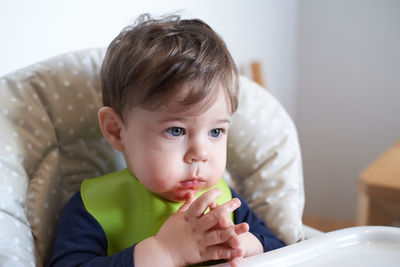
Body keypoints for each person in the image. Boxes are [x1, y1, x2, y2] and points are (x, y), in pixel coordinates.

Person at [49, 14, 285, 267]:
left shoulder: (225, 202)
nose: (200, 153)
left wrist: (249, 245)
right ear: (116, 131)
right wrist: (163, 253)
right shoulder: (93, 206)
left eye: (216, 132)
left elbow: (284, 251)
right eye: (176, 131)